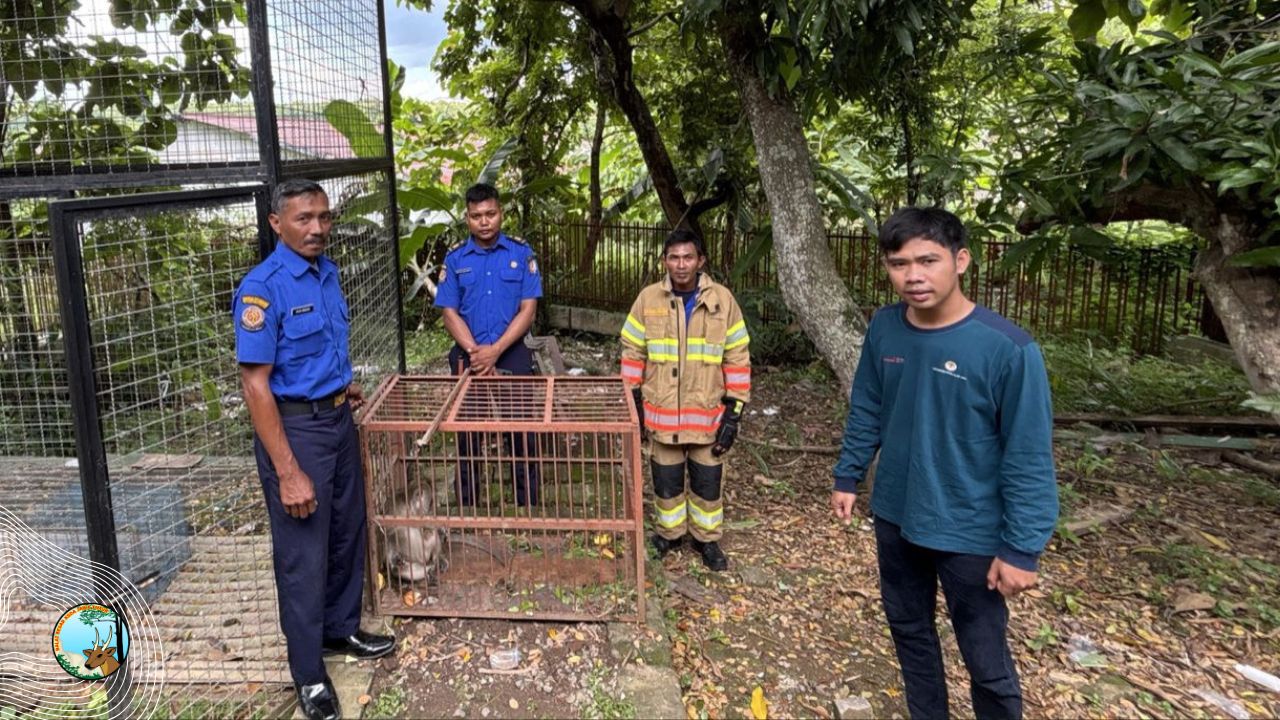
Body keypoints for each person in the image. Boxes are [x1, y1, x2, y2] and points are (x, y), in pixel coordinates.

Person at [830, 207, 1058, 719]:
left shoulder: (1008, 349)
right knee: (910, 632)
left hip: (969, 528)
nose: (913, 276)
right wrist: (849, 473)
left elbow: (1027, 455)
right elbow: (868, 404)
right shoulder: (885, 328)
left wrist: (1022, 548)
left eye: (927, 260)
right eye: (899, 264)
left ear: (961, 261)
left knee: (985, 659)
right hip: (896, 513)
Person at [234, 179, 393, 720]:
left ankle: (340, 630)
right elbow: (256, 385)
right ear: (277, 223)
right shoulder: (263, 289)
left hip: (338, 421)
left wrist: (341, 385)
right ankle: (308, 673)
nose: (318, 228)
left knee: (347, 531)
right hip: (297, 433)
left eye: (324, 217)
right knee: (303, 553)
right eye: (304, 218)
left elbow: (320, 348)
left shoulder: (327, 273)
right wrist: (288, 471)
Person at [619, 229, 751, 571]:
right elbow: (632, 352)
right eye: (674, 258)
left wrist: (734, 412)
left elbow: (737, 357)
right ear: (665, 261)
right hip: (661, 413)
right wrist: (633, 401)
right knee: (666, 480)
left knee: (708, 482)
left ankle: (707, 540)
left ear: (700, 261)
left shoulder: (723, 301)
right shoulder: (648, 299)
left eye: (688, 257)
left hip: (707, 416)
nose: (681, 265)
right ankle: (670, 534)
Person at [434, 183, 542, 507]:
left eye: (490, 214)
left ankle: (528, 506)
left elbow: (528, 309)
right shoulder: (455, 258)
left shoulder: (521, 253)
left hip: (512, 352)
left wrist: (495, 351)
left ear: (501, 214)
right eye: (476, 216)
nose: (484, 221)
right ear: (467, 218)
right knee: (468, 433)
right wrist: (476, 353)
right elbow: (448, 313)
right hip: (468, 355)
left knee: (522, 432)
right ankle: (468, 507)